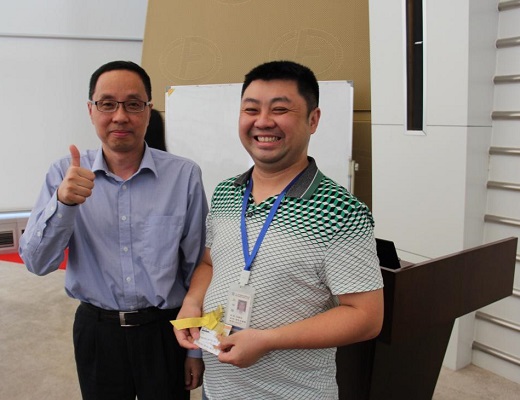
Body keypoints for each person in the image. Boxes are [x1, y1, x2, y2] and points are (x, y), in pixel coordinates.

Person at [174, 61, 384, 399]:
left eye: (280, 109)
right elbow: (210, 263)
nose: (263, 121)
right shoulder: (227, 192)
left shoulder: (342, 211)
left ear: (313, 120)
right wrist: (192, 303)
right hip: (218, 391)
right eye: (251, 109)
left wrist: (268, 340)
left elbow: (366, 317)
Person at [19, 61, 208, 400]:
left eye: (133, 104)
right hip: (97, 332)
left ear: (148, 111)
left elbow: (197, 266)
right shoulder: (64, 174)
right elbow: (37, 263)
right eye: (107, 104)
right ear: (91, 110)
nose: (120, 116)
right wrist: (63, 203)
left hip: (164, 331)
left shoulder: (184, 176)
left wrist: (195, 350)